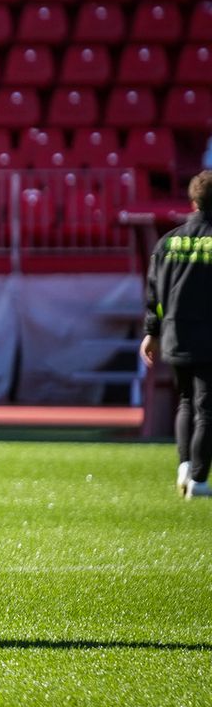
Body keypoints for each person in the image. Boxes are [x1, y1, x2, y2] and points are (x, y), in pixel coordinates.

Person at [142, 170, 212, 499]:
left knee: (185, 401)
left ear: (193, 200)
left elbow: (154, 295)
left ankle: (184, 465)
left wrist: (152, 332)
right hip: (208, 336)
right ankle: (198, 478)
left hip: (174, 334)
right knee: (207, 407)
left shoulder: (167, 241)